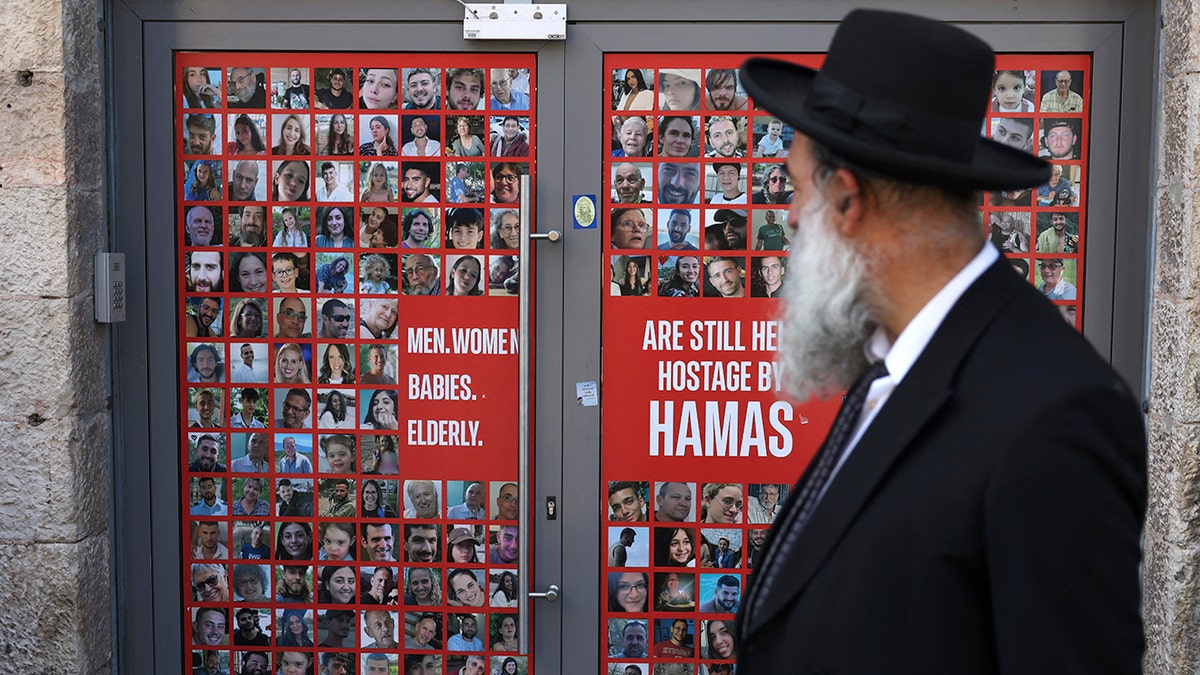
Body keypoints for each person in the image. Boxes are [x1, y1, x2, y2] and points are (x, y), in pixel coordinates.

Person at [735, 10, 1144, 672]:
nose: (788, 217)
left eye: (796, 187)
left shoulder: (1056, 415)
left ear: (846, 199)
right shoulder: (895, 360)